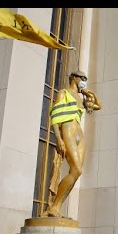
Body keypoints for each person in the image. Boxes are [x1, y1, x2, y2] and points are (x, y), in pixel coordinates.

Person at [43, 70, 101, 218]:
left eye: (86, 78)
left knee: (76, 172)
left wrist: (90, 94)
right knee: (76, 170)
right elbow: (55, 115)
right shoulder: (63, 92)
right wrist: (58, 138)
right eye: (82, 78)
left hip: (79, 134)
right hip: (67, 129)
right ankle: (54, 206)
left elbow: (98, 106)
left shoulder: (81, 98)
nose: (84, 81)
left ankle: (56, 207)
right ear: (73, 78)